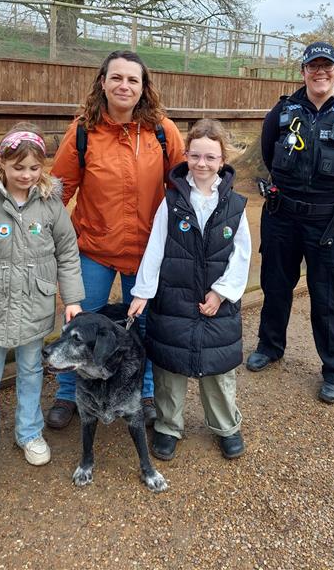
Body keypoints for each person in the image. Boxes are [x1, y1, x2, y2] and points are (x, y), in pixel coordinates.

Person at [46, 50, 186, 429]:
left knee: (144, 326)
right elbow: (59, 190)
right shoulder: (82, 131)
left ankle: (142, 391)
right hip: (93, 249)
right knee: (78, 322)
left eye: (133, 80)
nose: (124, 85)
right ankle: (67, 391)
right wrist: (47, 234)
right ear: (103, 83)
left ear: (144, 88)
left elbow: (183, 184)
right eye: (117, 78)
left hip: (145, 252)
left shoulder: (162, 131)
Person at [0, 122, 85, 493]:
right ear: (2, 164)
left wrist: (72, 300)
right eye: (18, 167)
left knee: (31, 373)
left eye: (34, 168)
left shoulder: (50, 205)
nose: (26, 175)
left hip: (36, 308)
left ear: (43, 167)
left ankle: (29, 433)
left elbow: (68, 253)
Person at [246, 41, 334, 404]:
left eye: (327, 67)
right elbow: (266, 153)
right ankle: (270, 346)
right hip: (282, 216)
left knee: (331, 297)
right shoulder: (282, 111)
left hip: (331, 223)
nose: (320, 73)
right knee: (275, 287)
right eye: (313, 66)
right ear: (303, 71)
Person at [128, 118, 252, 461]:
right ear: (187, 156)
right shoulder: (172, 201)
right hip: (174, 298)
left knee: (219, 371)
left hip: (217, 303)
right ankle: (169, 426)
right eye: (196, 156)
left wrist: (222, 292)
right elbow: (156, 248)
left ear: (222, 161)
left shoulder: (235, 206)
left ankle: (226, 426)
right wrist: (143, 292)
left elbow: (241, 256)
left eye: (210, 158)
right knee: (170, 369)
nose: (202, 164)